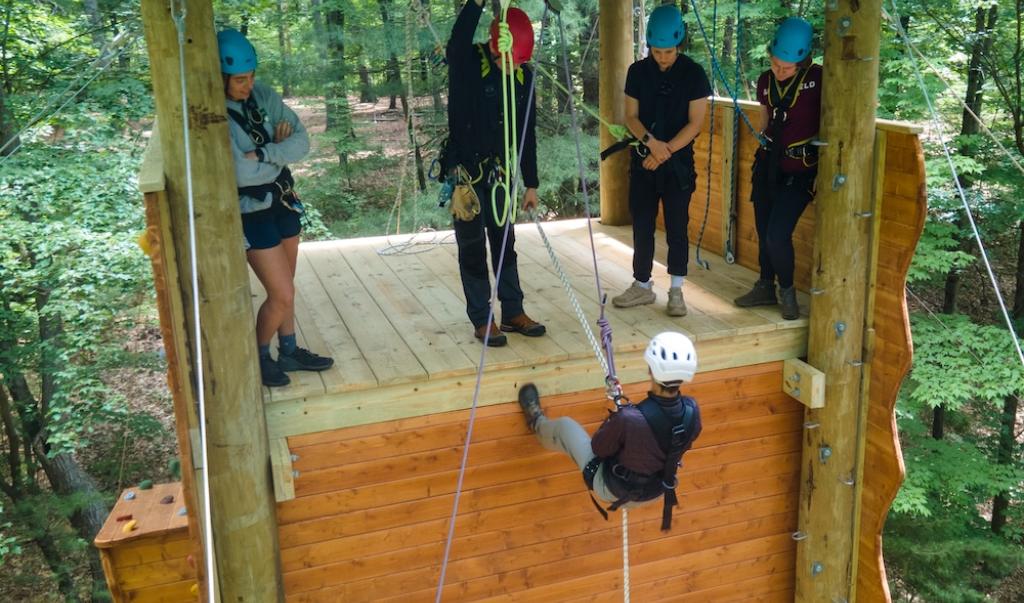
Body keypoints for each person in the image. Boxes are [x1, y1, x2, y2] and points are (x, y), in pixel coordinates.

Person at [218, 28, 334, 387]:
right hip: (252, 212)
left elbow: (302, 142)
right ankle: (260, 354)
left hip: (283, 202)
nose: (248, 86)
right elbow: (239, 172)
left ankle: (289, 350)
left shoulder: (263, 95)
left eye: (251, 77)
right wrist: (277, 154)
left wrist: (266, 153)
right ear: (220, 78)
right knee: (281, 293)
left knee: (288, 289)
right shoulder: (215, 115)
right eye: (239, 80)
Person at [517, 331, 702, 530]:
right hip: (656, 490)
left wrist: (616, 420)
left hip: (613, 490)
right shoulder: (692, 411)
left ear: (650, 369)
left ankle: (536, 422)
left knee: (565, 427)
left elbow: (598, 448)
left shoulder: (630, 419)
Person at [445, 0, 545, 347]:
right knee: (473, 247)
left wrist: (531, 182)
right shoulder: (468, 63)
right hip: (468, 175)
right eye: (507, 59)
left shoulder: (523, 76)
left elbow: (526, 133)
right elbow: (455, 43)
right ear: (492, 45)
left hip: (501, 174)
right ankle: (482, 318)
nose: (511, 67)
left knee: (506, 244)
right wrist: (475, 4)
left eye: (517, 61)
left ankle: (513, 310)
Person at [611, 5, 711, 318]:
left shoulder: (693, 74)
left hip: (677, 163)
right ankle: (642, 285)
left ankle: (677, 289)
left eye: (668, 51)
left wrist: (663, 152)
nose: (663, 57)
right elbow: (631, 116)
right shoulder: (638, 72)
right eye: (657, 51)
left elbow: (695, 123)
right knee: (642, 224)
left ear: (678, 44)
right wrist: (652, 145)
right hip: (645, 157)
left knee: (677, 227)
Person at [734, 17, 821, 320]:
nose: (779, 71)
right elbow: (764, 118)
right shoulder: (765, 81)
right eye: (775, 64)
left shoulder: (820, 80)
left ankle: (787, 292)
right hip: (769, 163)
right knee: (763, 228)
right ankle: (764, 286)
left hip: (801, 171)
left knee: (777, 235)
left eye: (786, 68)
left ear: (803, 60)